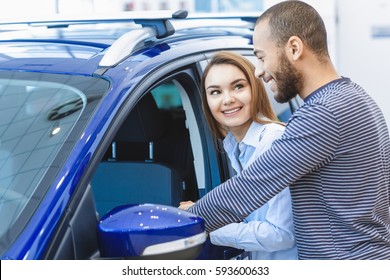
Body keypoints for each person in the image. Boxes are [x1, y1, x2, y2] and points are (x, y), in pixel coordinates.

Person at [183, 1, 390, 259]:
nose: (259, 71)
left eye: (261, 57)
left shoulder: (322, 114)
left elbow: (249, 188)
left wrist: (181, 221)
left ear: (294, 48)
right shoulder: (355, 97)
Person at [180, 51, 297, 259]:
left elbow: (282, 234)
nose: (227, 99)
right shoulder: (235, 147)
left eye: (238, 86)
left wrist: (203, 226)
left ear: (256, 89)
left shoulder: (272, 141)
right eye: (215, 92)